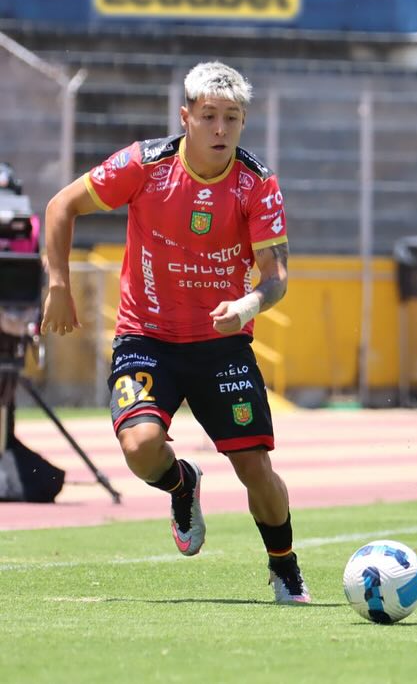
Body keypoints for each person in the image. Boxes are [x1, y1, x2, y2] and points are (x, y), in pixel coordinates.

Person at [39, 61, 310, 603]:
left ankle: (285, 568)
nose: (220, 130)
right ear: (185, 117)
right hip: (146, 337)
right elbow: (60, 205)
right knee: (139, 447)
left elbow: (276, 279)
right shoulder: (143, 165)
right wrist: (59, 285)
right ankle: (182, 484)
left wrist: (248, 303)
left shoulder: (257, 185)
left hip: (221, 344)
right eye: (208, 116)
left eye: (231, 118)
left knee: (254, 465)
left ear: (242, 122)